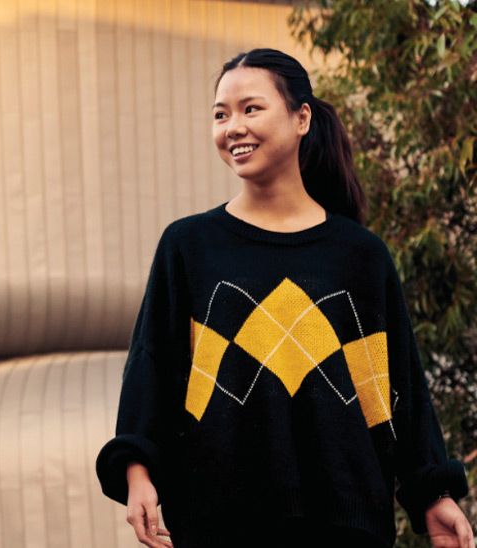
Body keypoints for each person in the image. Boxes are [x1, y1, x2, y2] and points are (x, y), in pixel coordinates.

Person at [95, 49, 474, 548]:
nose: (233, 128)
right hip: (219, 522)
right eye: (220, 114)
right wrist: (138, 472)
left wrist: (434, 495)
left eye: (250, 109)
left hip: (347, 524)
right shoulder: (188, 247)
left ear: (302, 118)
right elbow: (153, 369)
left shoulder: (360, 256)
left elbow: (400, 390)